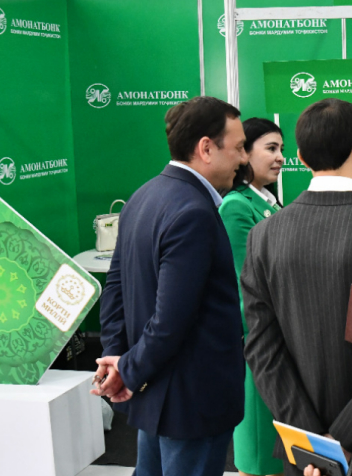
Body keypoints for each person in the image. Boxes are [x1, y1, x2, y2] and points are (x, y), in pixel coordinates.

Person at [240, 98, 352, 476]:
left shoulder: (263, 236)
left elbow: (261, 347)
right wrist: (341, 439)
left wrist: (313, 442)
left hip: (302, 453)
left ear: (302, 158)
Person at [93, 96, 248, 476]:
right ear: (206, 148)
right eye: (239, 147)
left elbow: (114, 290)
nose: (244, 159)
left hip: (156, 393)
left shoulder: (142, 196)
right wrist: (126, 369)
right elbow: (170, 320)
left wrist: (117, 357)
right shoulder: (194, 212)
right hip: (191, 401)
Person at [218, 117, 286, 476]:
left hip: (279, 336)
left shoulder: (269, 202)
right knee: (259, 452)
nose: (280, 158)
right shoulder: (236, 206)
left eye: (282, 149)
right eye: (271, 148)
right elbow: (245, 285)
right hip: (258, 339)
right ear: (245, 154)